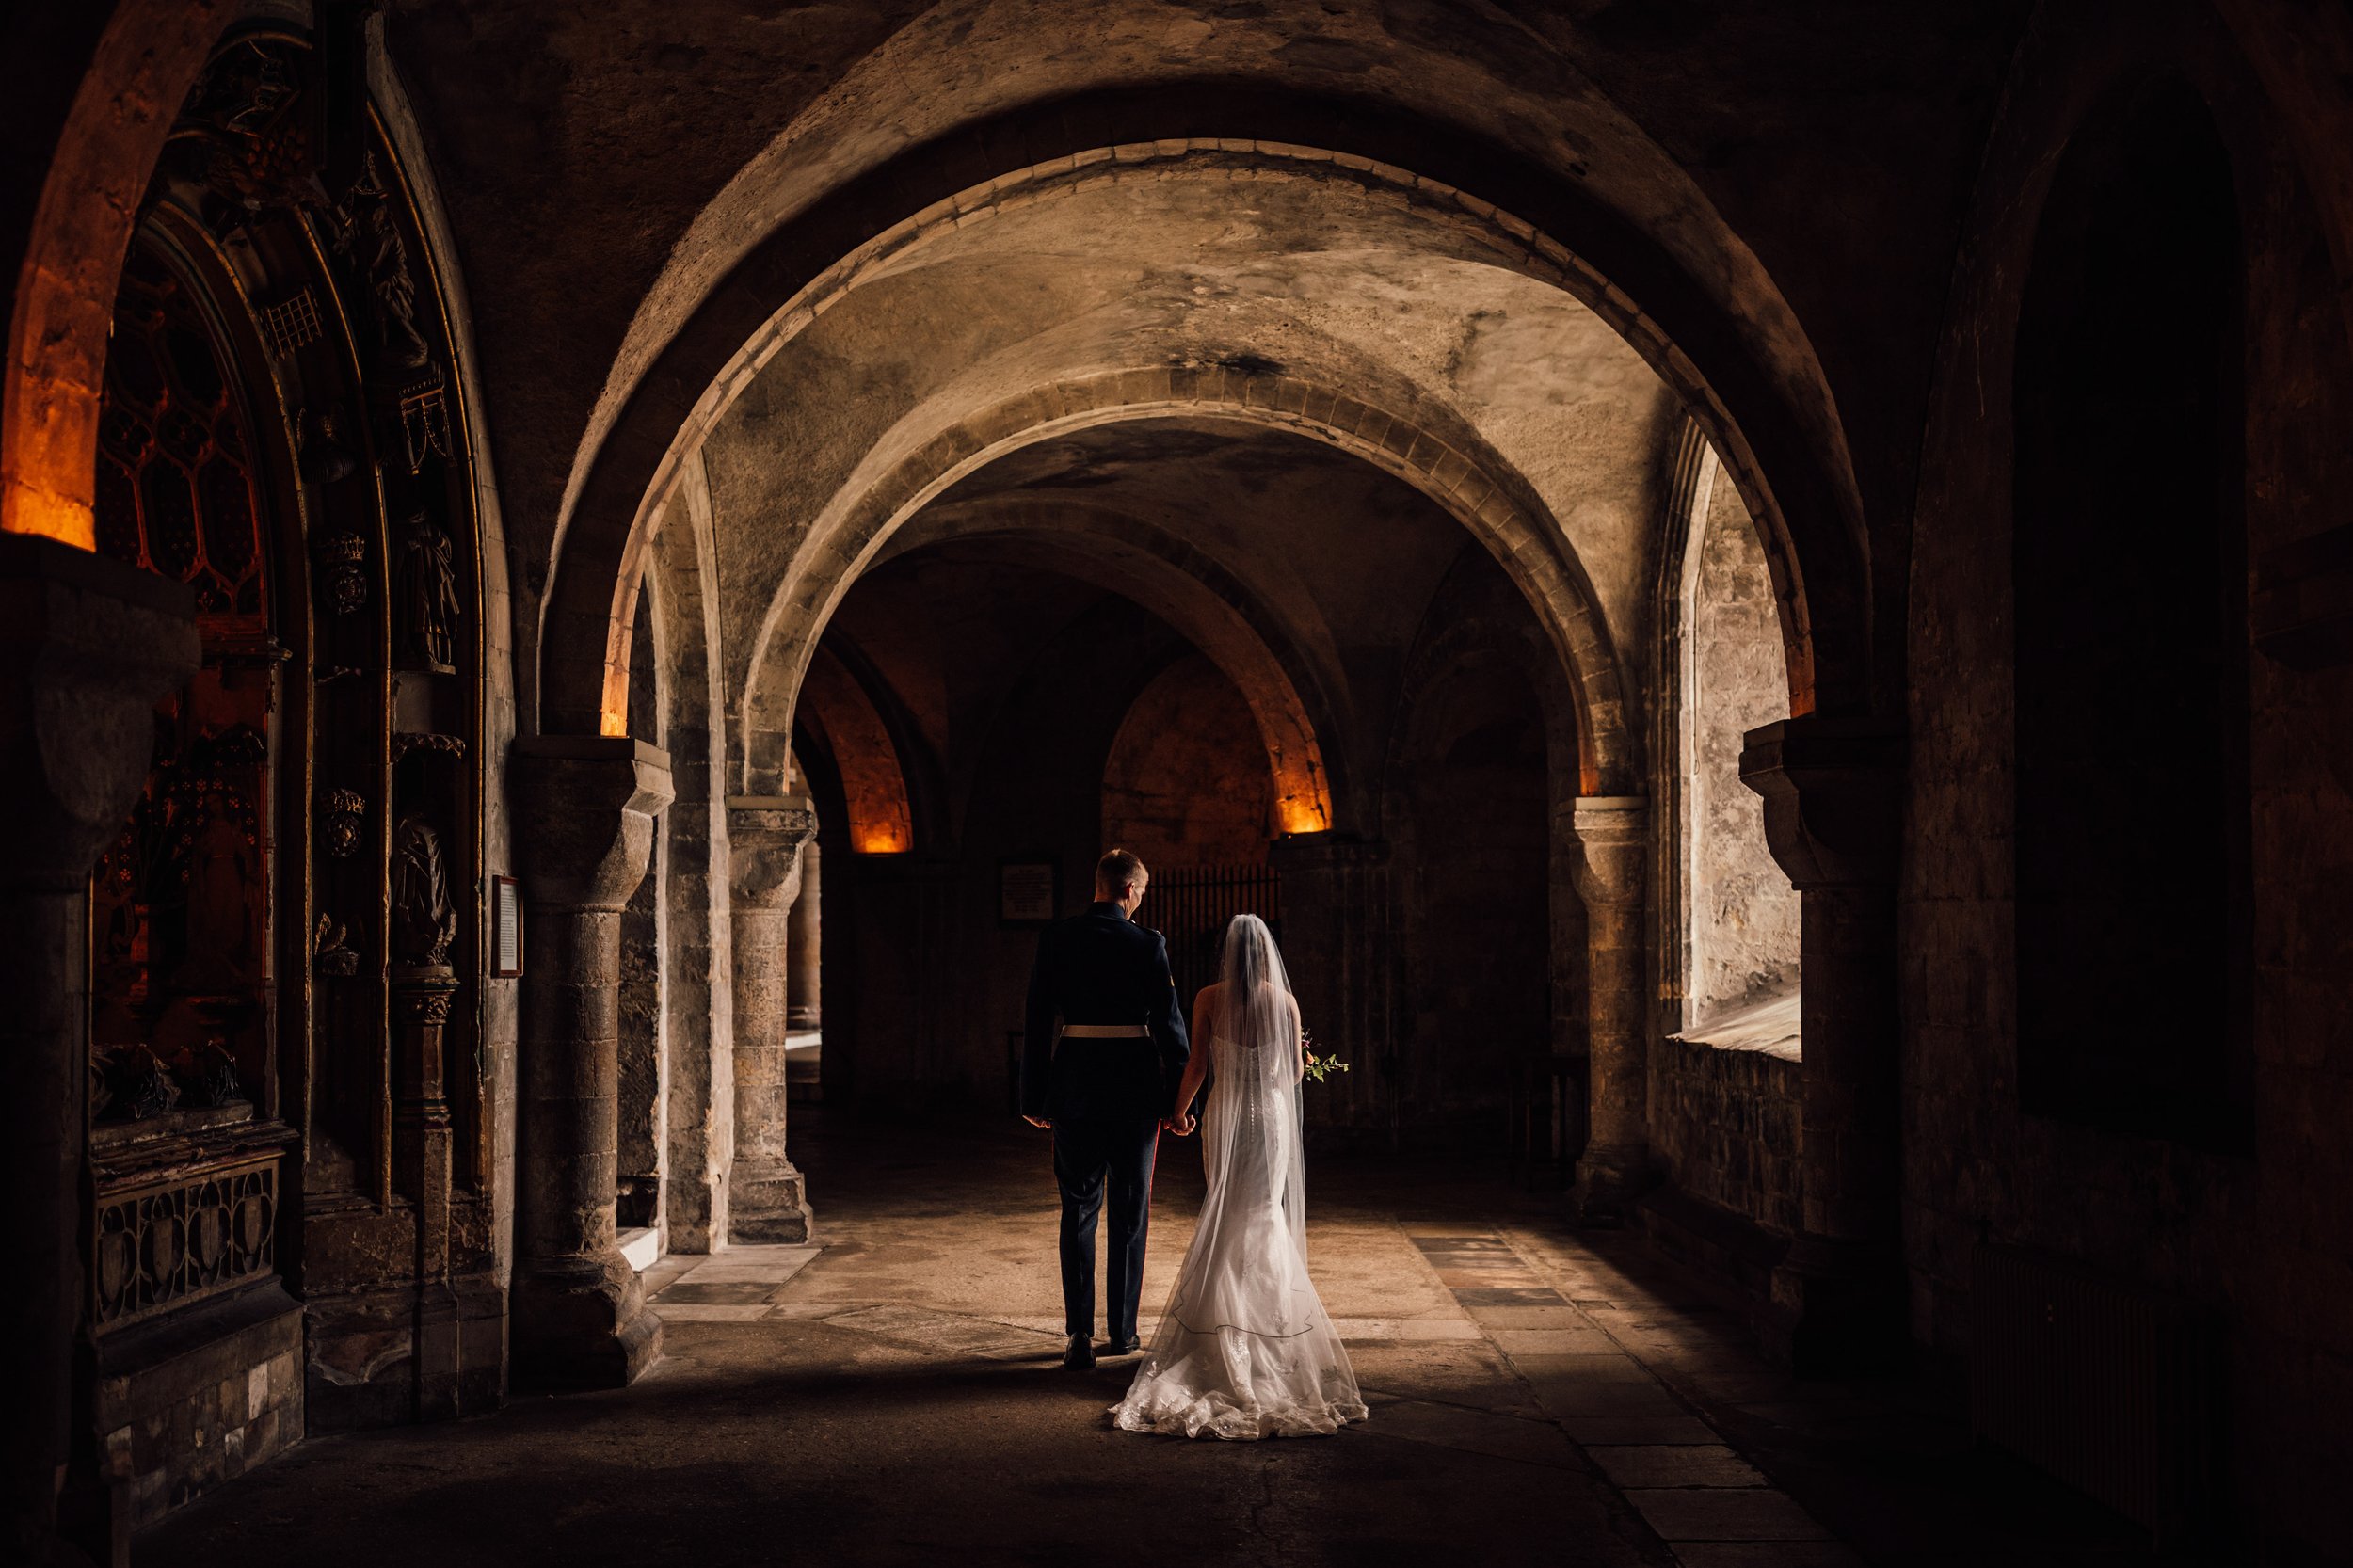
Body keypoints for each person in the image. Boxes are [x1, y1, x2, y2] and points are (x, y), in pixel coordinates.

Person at [1111, 914, 1366, 1439]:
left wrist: (1178, 1112)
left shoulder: (1208, 997)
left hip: (1228, 1116)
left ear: (1226, 953)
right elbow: (1293, 1074)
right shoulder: (1286, 1003)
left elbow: (1198, 1065)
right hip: (1269, 1119)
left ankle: (1220, 1328)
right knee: (1263, 1214)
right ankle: (1271, 1332)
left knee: (1228, 1210)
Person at [1021, 849, 1190, 1371]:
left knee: (1078, 1208)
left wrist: (1034, 1096)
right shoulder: (1147, 943)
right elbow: (1169, 1026)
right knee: (1130, 1210)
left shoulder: (1057, 938)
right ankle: (1121, 1332)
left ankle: (1077, 1335)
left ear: (1100, 886)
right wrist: (1182, 1100)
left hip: (1073, 1086)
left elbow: (1035, 1020)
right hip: (1134, 1091)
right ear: (1130, 891)